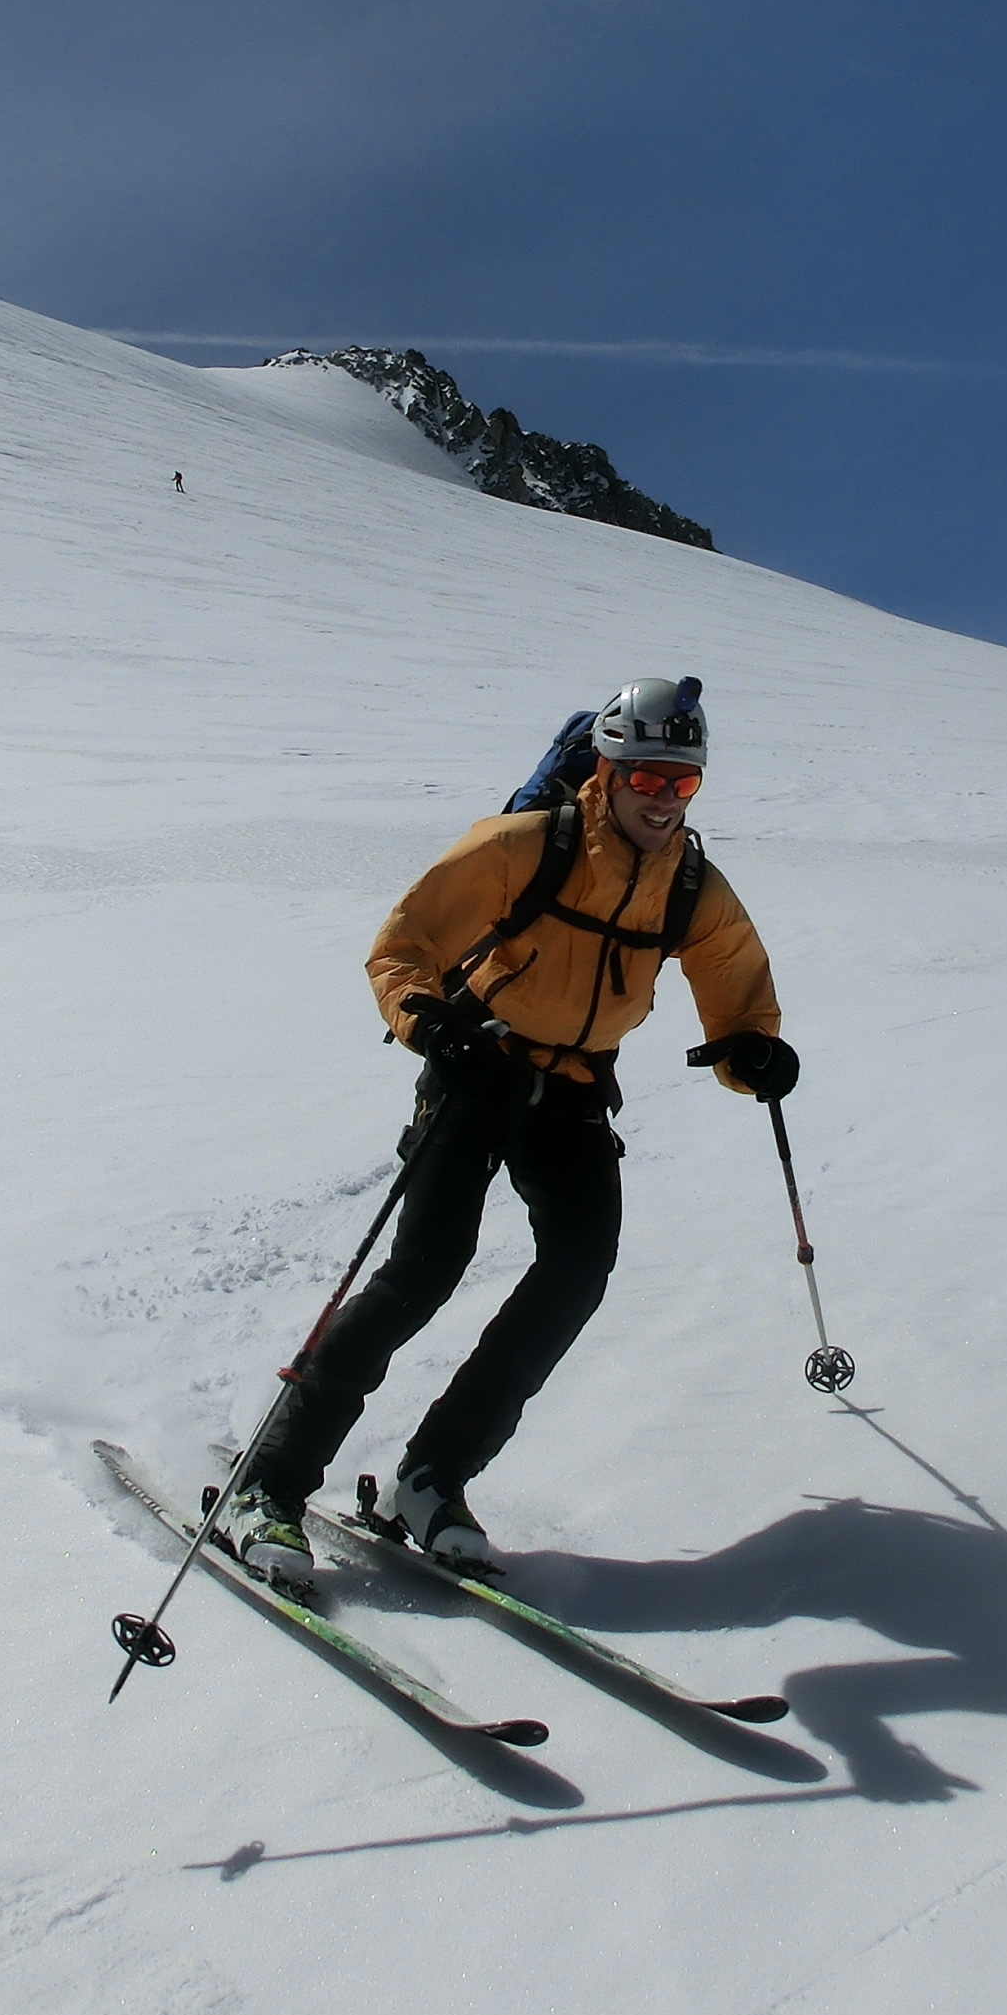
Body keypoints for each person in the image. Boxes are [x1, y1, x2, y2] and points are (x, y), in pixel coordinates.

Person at [224, 677, 798, 1581]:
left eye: (680, 783)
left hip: (573, 1091)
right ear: (607, 770)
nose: (660, 797)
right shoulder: (525, 845)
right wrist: (428, 1019)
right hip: (478, 1069)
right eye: (644, 777)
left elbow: (736, 985)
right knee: (423, 1272)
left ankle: (434, 1476)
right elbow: (403, 944)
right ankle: (271, 1484)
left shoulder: (694, 887)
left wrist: (754, 1054)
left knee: (576, 1272)